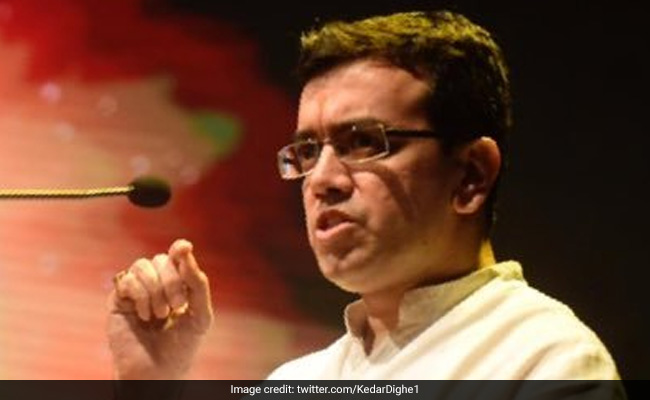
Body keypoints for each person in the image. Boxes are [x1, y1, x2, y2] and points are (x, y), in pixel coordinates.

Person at [108, 10, 621, 381]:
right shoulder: (299, 380)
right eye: (308, 151)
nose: (322, 179)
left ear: (471, 175)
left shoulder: (542, 360)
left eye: (363, 143)